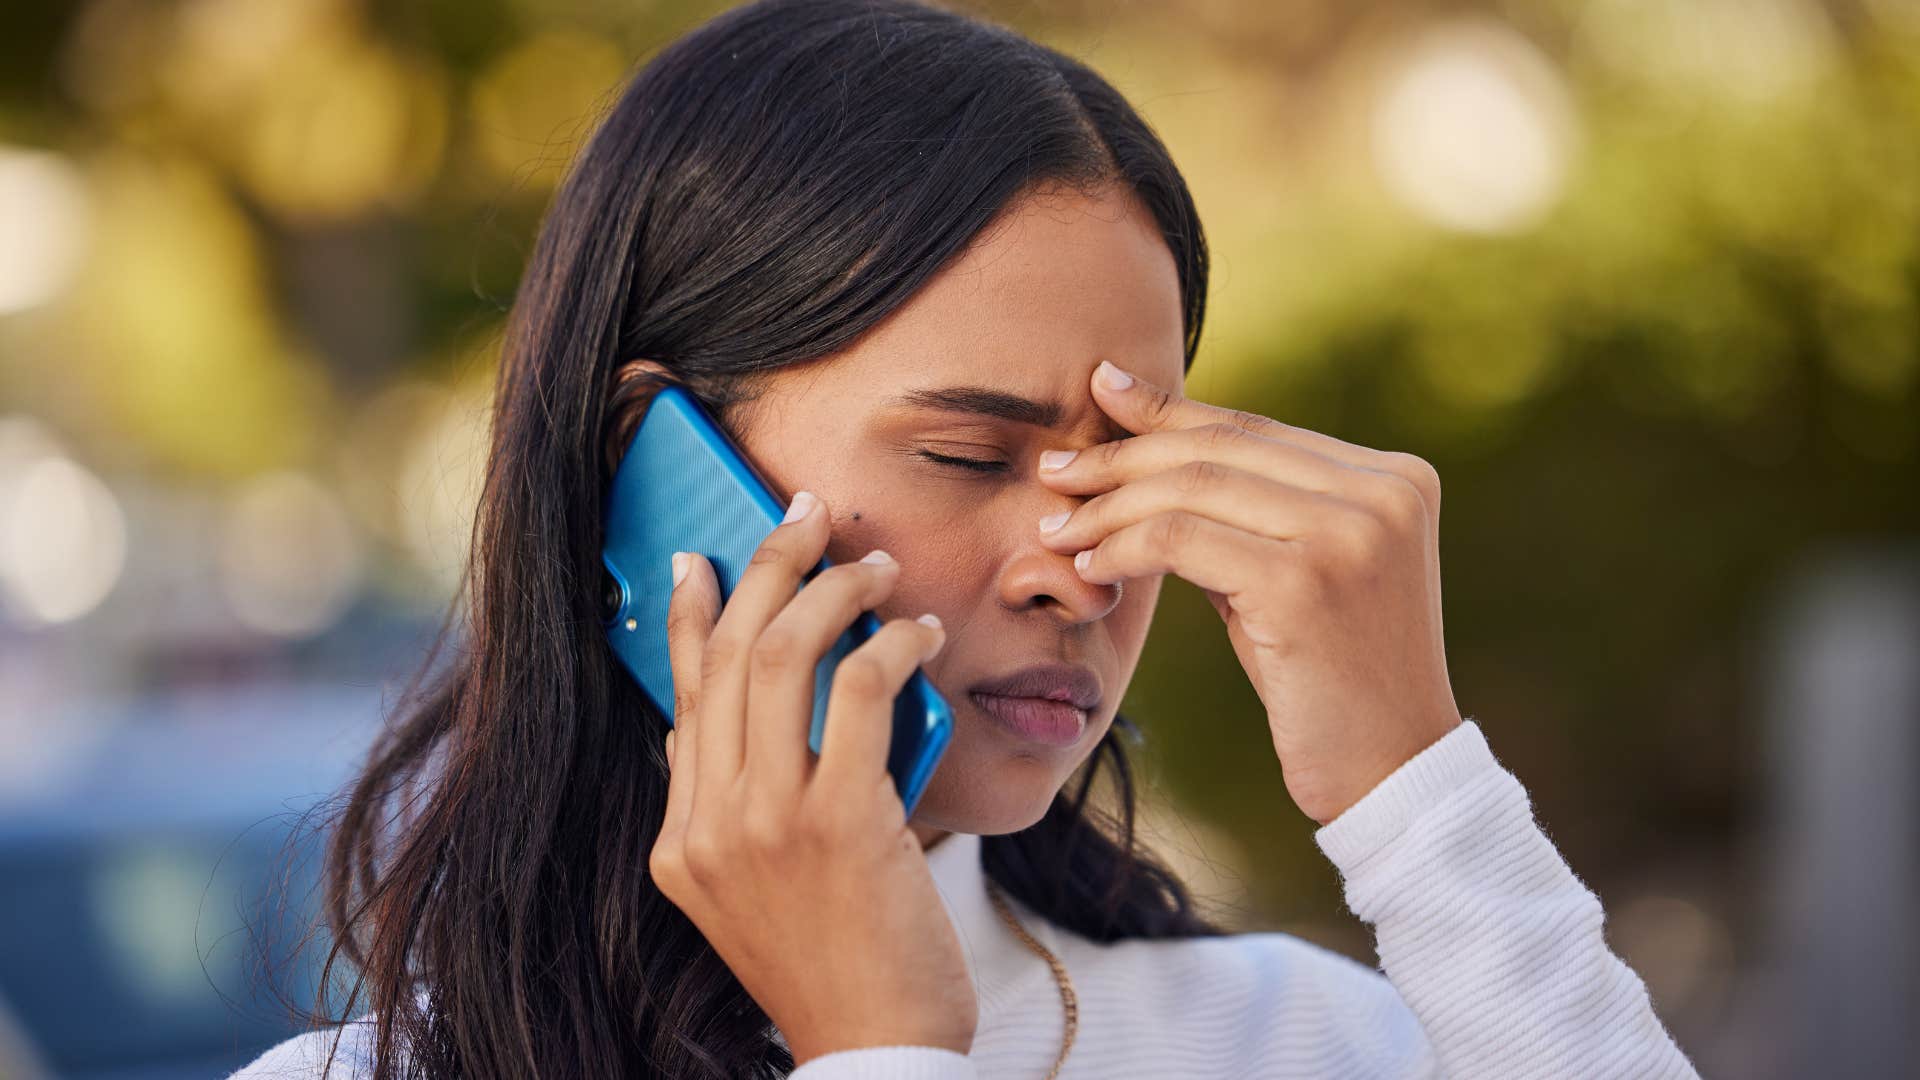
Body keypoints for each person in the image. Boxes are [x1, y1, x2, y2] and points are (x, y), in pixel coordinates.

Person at [235, 0, 1700, 1076]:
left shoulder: (1311, 1040)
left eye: (1132, 467)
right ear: (648, 468)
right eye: (965, 454)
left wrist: (1419, 798)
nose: (1086, 562)